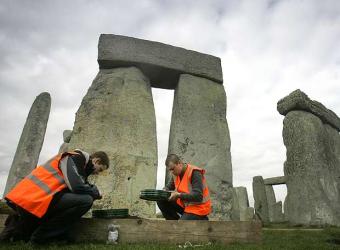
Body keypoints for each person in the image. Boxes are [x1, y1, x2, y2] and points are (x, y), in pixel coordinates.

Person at [0, 149, 109, 244]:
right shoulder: (74, 157)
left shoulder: (80, 167)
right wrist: (95, 192)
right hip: (33, 198)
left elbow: (80, 184)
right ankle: (41, 236)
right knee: (86, 200)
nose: (97, 173)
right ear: (96, 160)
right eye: (100, 169)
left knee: (84, 198)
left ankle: (40, 233)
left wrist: (92, 190)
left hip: (38, 198)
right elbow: (77, 186)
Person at [157, 154, 211, 220]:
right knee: (161, 199)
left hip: (199, 208)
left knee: (181, 225)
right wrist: (165, 190)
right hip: (186, 206)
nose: (171, 172)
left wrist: (179, 195)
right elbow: (169, 186)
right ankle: (173, 223)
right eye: (170, 170)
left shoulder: (194, 172)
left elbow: (198, 196)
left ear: (179, 163)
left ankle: (202, 218)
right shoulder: (176, 174)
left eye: (172, 169)